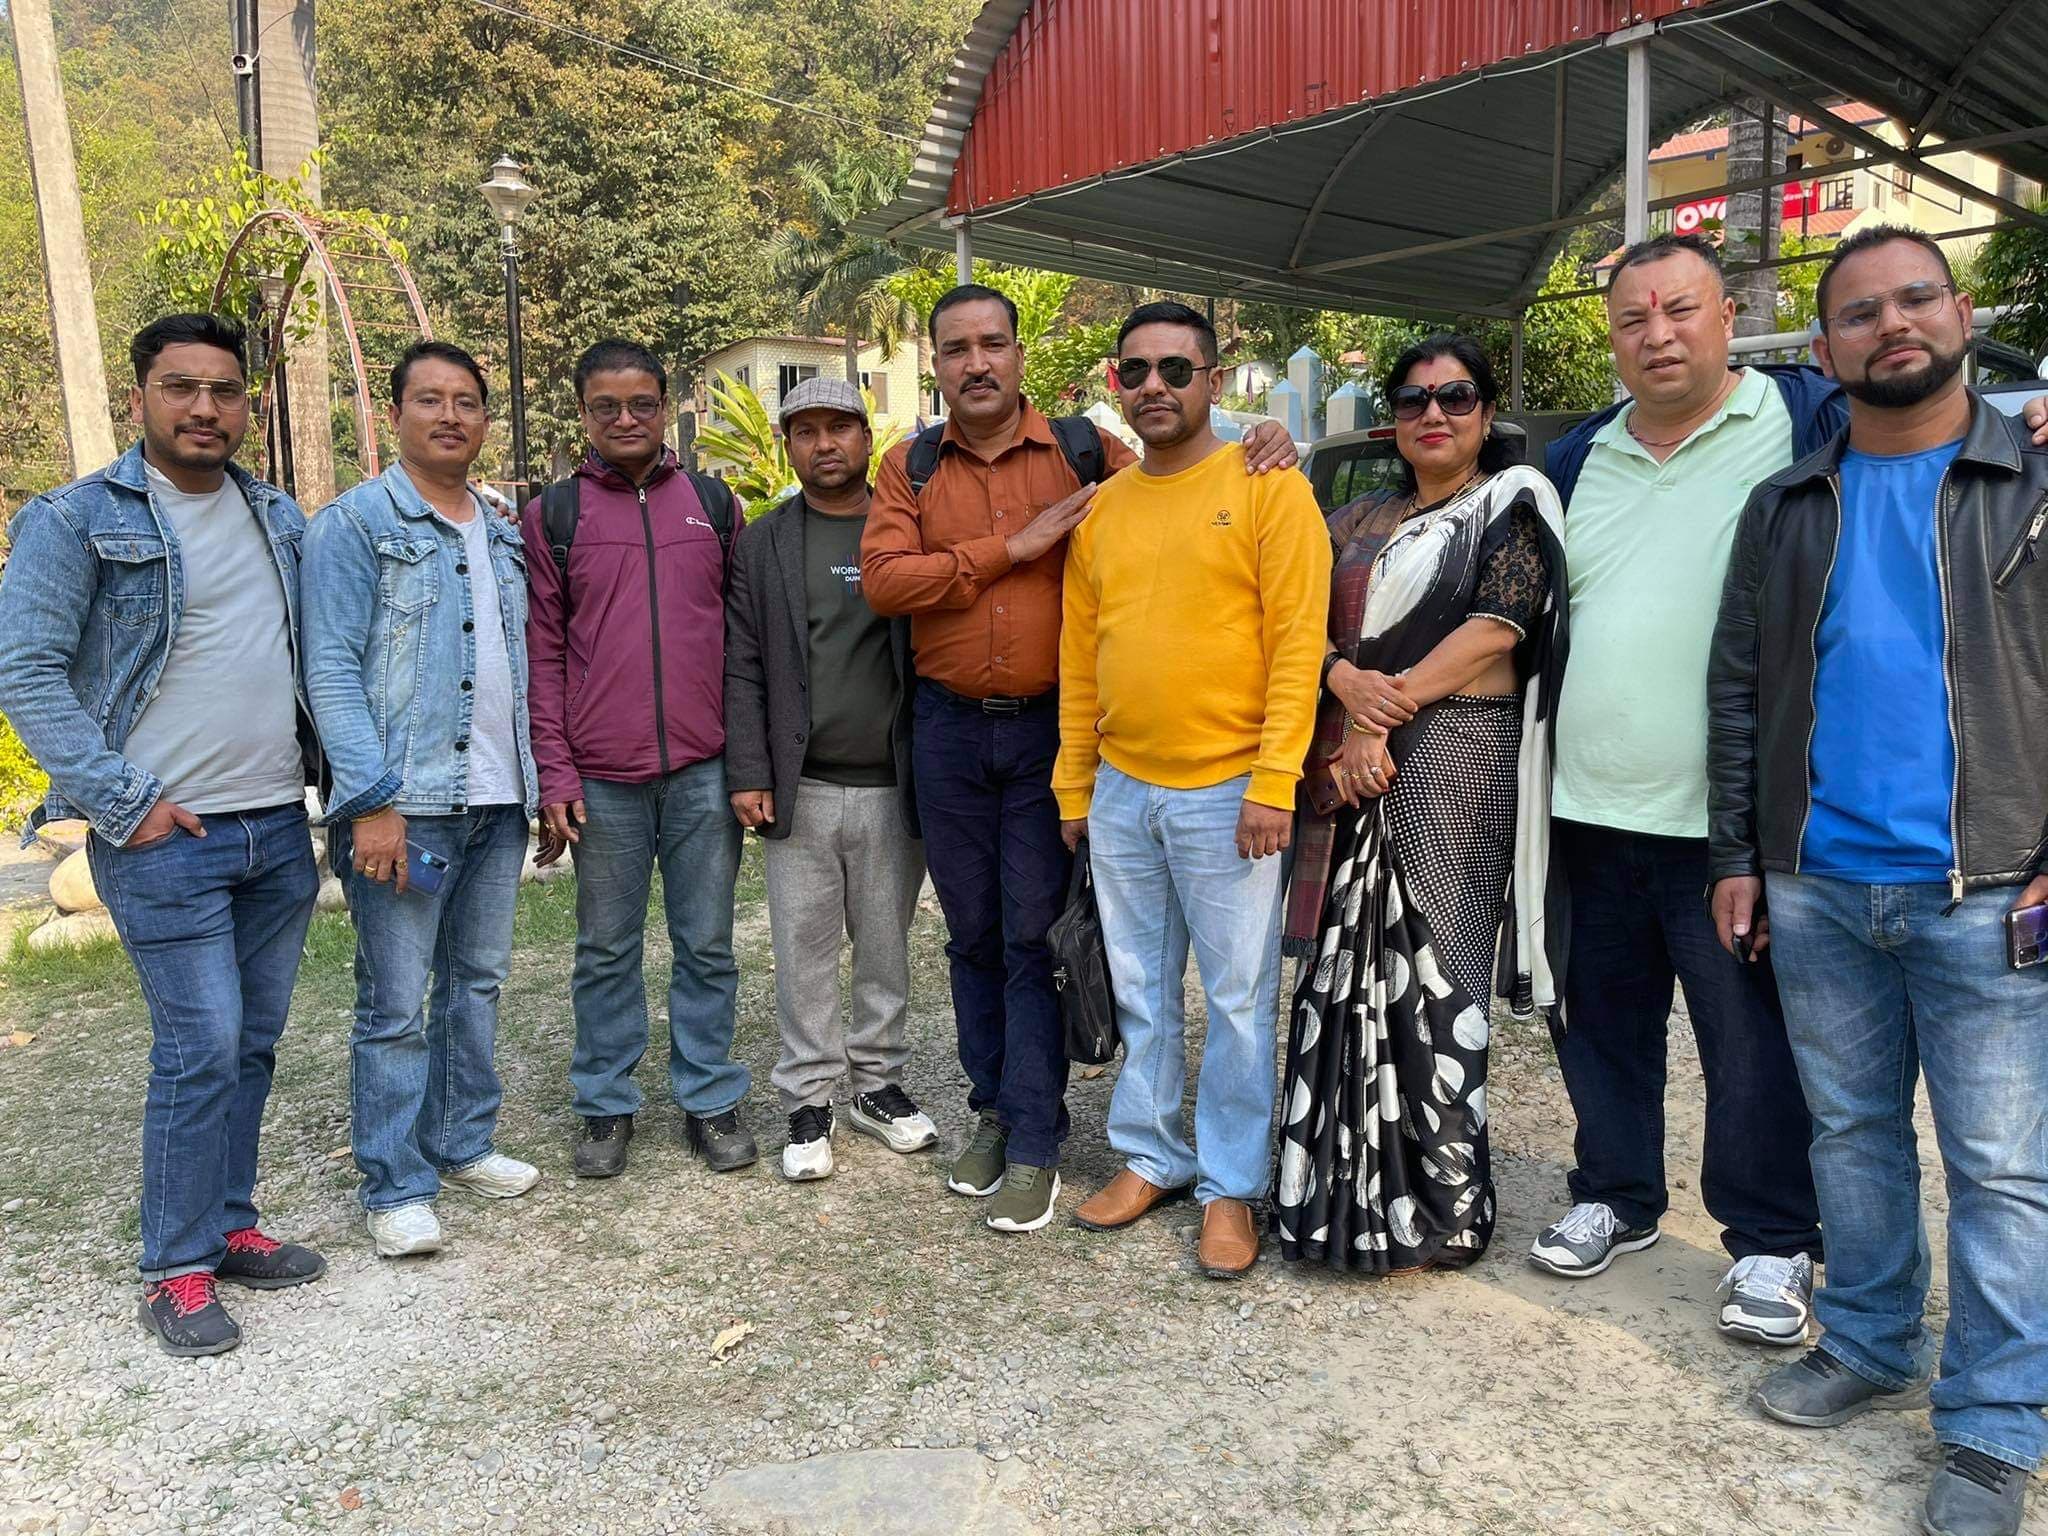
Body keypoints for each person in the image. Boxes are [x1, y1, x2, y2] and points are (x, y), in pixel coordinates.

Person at [1709, 226, 2048, 1536]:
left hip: (1991, 885)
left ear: (1960, 315)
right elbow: (1737, 690)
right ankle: (1865, 1338)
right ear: (1824, 348)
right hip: (1817, 882)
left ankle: (1992, 1423)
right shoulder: (1786, 506)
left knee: (2001, 1169)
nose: (1890, 324)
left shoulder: (2030, 482)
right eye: (1859, 312)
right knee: (1849, 1134)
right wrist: (1739, 856)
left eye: (1915, 299)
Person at [860, 283, 1299, 1233]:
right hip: (960, 733)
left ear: (1020, 355)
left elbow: (1192, 473)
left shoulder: (1089, 454)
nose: (976, 362)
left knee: (1049, 940)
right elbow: (888, 583)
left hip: (1074, 739)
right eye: (955, 349)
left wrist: (1264, 434)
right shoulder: (912, 466)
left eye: (993, 343)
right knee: (985, 940)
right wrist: (1010, 547)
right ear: (937, 365)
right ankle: (1019, 1116)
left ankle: (1061, 1144)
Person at [0, 313, 324, 1354]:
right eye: (181, 387)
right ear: (138, 397)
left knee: (252, 1042)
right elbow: (26, 672)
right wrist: (121, 801)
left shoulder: (275, 515)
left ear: (247, 404)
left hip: (274, 827)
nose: (204, 408)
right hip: (163, 840)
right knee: (200, 1046)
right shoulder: (74, 521)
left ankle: (227, 1223)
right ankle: (174, 1268)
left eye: (224, 390)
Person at [1273, 334, 1567, 1274]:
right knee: (1345, 974)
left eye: (1456, 396)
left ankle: (1442, 1206)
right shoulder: (1355, 518)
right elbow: (1291, 619)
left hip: (1455, 758)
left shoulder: (1512, 501)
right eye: (1413, 399)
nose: (1434, 414)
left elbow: (1496, 629)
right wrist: (1341, 682)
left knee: (1440, 977)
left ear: (1487, 411)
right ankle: (1340, 1201)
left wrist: (1376, 714)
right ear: (1391, 419)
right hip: (1355, 759)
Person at [1054, 302, 1330, 1276]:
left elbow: (1298, 642)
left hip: (1229, 791)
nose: (1154, 387)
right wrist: (1076, 787)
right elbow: (1079, 658)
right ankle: (1150, 1155)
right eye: (1135, 371)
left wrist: (1274, 780)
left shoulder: (1267, 488)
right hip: (1124, 788)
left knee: (1240, 997)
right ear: (1114, 384)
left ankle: (1229, 1187)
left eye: (1176, 369)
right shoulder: (1103, 510)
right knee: (1140, 988)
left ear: (1213, 380)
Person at [303, 339, 542, 1257]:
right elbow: (328, 669)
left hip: (494, 800)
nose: (450, 416)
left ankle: (462, 1141)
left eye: (466, 401)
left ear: (484, 418)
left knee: (476, 983)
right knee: (396, 1002)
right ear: (395, 413)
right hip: (406, 803)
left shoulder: (501, 529)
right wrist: (369, 801)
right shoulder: (355, 525)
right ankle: (396, 1183)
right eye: (430, 399)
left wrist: (533, 783)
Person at [523, 339, 754, 1179]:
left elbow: (742, 645)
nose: (626, 419)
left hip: (703, 771)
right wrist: (555, 772)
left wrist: (747, 763)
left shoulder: (714, 505)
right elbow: (543, 653)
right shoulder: (556, 515)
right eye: (606, 407)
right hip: (601, 779)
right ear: (583, 413)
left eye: (642, 404)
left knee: (708, 945)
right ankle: (604, 1102)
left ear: (667, 407)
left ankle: (710, 1096)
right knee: (606, 951)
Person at [723, 377, 936, 1182]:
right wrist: (750, 767)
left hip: (893, 783)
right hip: (801, 785)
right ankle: (808, 1099)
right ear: (788, 445)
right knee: (802, 951)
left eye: (839, 428)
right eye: (805, 431)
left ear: (866, 438)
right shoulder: (765, 543)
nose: (824, 445)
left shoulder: (907, 527)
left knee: (884, 947)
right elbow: (742, 662)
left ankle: (877, 1084)